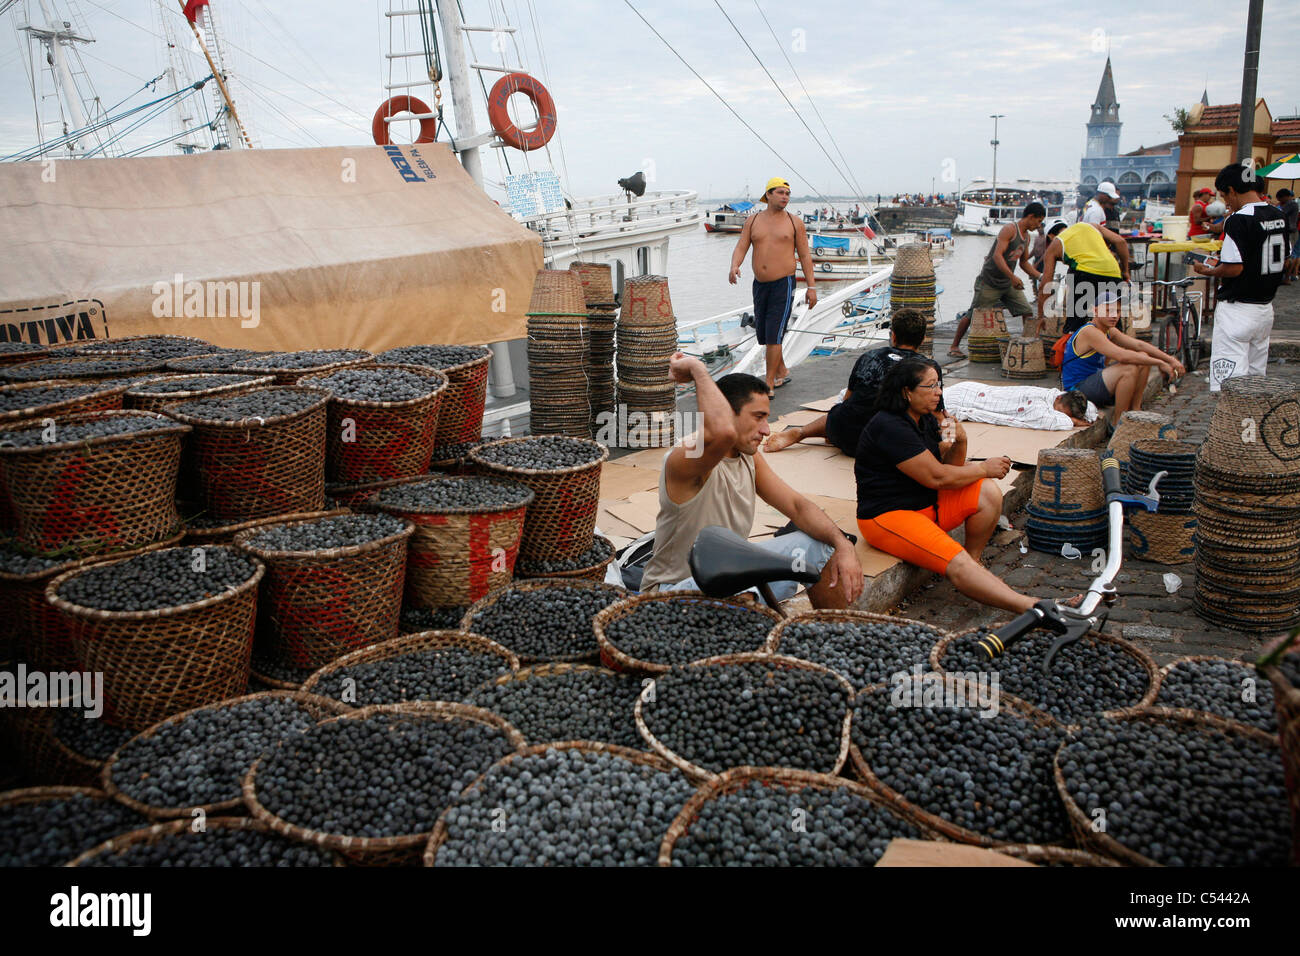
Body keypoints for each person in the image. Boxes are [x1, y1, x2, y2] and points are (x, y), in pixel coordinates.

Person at [640, 354, 863, 607]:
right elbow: (721, 431)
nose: (767, 430)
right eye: (758, 417)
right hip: (674, 593)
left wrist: (842, 544)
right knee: (741, 591)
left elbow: (796, 506)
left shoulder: (748, 457)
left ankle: (832, 634)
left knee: (821, 544)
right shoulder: (687, 458)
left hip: (729, 577)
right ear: (728, 414)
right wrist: (697, 369)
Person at [854, 359, 1057, 614]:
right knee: (956, 560)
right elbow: (937, 478)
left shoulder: (924, 418)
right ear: (906, 391)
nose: (938, 392)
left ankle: (974, 562)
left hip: (927, 504)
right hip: (889, 516)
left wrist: (959, 439)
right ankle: (1033, 607)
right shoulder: (889, 425)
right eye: (930, 386)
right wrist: (983, 467)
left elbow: (952, 467)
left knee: (986, 491)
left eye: (938, 385)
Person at [766, 308, 941, 455]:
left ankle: (802, 432)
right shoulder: (928, 368)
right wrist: (951, 438)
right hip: (883, 444)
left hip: (844, 432)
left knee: (846, 408)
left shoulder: (869, 356)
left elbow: (847, 400)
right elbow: (938, 415)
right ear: (923, 338)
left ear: (893, 336)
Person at [1191, 162, 1292, 392]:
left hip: (1237, 309)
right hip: (1265, 309)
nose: (1227, 202)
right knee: (1256, 382)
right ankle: (1252, 423)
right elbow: (1284, 259)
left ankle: (1235, 426)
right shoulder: (1278, 214)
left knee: (1232, 385)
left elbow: (1233, 268)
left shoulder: (1238, 219)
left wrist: (1210, 271)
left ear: (1232, 190)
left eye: (1225, 195)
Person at [729, 176, 817, 391]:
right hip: (760, 284)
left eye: (787, 193)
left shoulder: (794, 222)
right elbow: (742, 246)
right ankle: (782, 371)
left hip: (783, 283)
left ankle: (768, 383)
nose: (785, 197)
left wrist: (812, 287)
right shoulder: (753, 220)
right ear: (768, 194)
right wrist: (734, 265)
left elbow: (805, 256)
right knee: (764, 334)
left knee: (774, 334)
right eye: (780, 192)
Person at [1061, 289, 1183, 413]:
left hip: (1095, 383)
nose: (1114, 315)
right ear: (1095, 310)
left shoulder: (1109, 330)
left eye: (1117, 311)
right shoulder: (1090, 331)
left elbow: (1139, 345)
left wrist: (1170, 359)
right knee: (1129, 369)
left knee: (1142, 357)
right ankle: (1117, 422)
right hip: (1077, 391)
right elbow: (1122, 356)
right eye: (1108, 310)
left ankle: (1135, 410)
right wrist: (1160, 363)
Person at [948, 202, 1045, 357]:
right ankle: (954, 346)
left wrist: (1041, 276)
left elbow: (1024, 262)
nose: (1039, 225)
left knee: (1026, 310)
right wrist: (1013, 277)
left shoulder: (1026, 237)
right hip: (989, 281)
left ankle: (1027, 345)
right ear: (1030, 216)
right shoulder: (1010, 230)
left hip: (1007, 284)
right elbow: (997, 256)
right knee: (973, 313)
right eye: (1038, 221)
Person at [1035, 220, 1131, 334]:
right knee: (1112, 325)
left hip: (1084, 276)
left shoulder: (1055, 244)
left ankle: (1072, 341)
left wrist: (1041, 316)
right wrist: (1125, 271)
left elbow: (1045, 284)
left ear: (1050, 236)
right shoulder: (1091, 225)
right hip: (1113, 272)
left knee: (1074, 326)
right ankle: (1115, 346)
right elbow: (1121, 242)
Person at [943, 380, 1094, 430]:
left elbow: (1092, 408)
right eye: (1059, 412)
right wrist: (1074, 421)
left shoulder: (1054, 395)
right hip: (961, 398)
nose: (1058, 415)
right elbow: (1051, 421)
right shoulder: (1038, 406)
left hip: (968, 390)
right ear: (1058, 399)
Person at [1028, 221, 1069, 288]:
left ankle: (1045, 292)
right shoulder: (1037, 238)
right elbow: (1034, 250)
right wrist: (1026, 258)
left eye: (1041, 227)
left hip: (1043, 261)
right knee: (1034, 278)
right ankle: (1037, 294)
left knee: (1045, 277)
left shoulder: (1046, 238)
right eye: (1038, 228)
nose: (1039, 229)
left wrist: (1037, 263)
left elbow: (1046, 253)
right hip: (1037, 259)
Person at [1277, 188, 1299, 283]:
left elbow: (1280, 213)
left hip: (1290, 232)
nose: (1279, 201)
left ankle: (1287, 277)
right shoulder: (1292, 203)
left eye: (1280, 199)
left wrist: (1276, 206)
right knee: (1292, 254)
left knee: (1290, 255)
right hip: (1291, 231)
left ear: (1285, 197)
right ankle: (1289, 276)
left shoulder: (1291, 204)